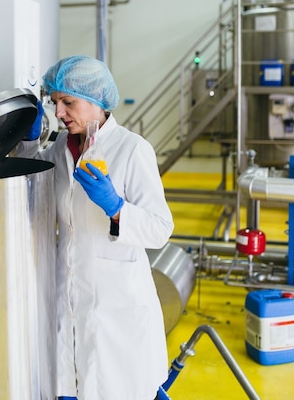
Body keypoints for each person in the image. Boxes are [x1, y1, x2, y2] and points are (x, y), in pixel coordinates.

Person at [19, 55, 174, 400]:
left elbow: (160, 228)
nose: (58, 113)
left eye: (68, 102)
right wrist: (27, 142)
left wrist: (117, 209)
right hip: (70, 299)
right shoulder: (60, 148)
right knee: (74, 384)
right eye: (55, 102)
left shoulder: (132, 149)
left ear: (96, 102)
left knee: (119, 386)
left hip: (118, 308)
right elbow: (31, 184)